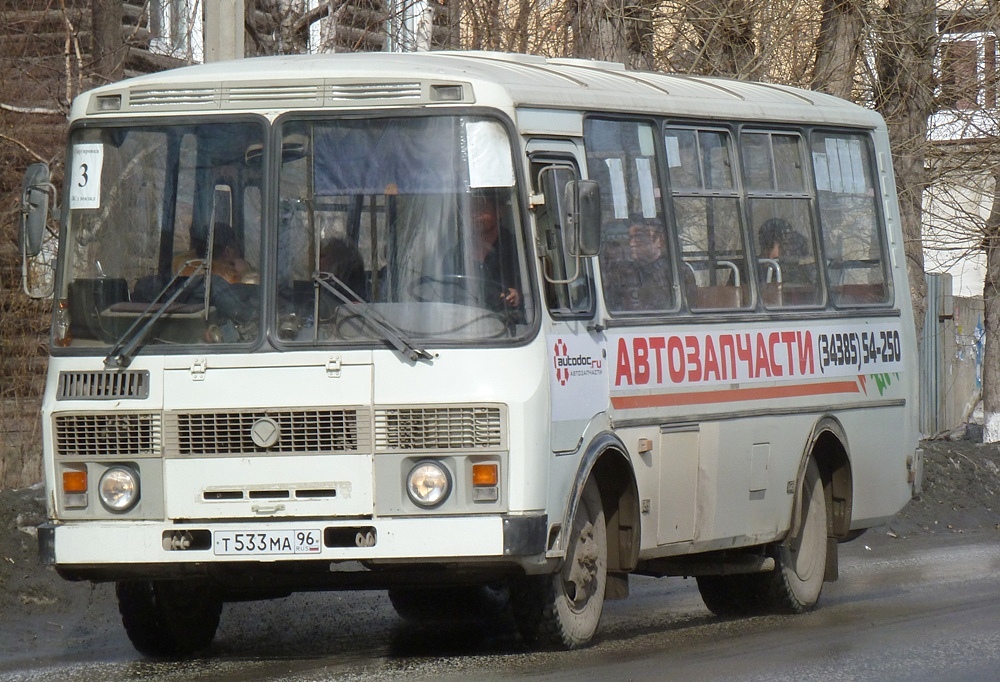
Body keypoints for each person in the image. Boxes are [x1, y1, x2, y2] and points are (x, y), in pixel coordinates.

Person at [467, 193, 521, 309]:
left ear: (499, 212)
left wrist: (517, 295)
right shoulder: (456, 255)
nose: (475, 215)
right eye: (471, 211)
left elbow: (534, 293)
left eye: (481, 208)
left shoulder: (518, 251)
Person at [608, 218, 672, 311]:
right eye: (630, 238)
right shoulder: (624, 273)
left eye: (639, 237)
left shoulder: (676, 272)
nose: (632, 243)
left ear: (659, 241)